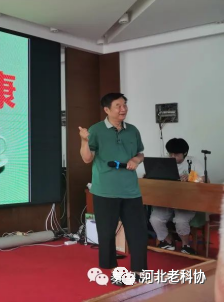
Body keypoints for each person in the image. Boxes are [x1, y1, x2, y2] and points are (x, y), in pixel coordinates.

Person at [79, 93, 147, 284]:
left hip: (131, 190)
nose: (123, 109)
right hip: (105, 190)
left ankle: (139, 271)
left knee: (138, 232)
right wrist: (84, 141)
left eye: (124, 105)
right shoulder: (96, 130)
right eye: (118, 106)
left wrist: (136, 160)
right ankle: (110, 268)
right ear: (107, 110)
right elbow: (87, 158)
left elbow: (140, 153)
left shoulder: (132, 130)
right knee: (106, 232)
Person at [149, 138, 205, 255]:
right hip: (167, 201)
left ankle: (185, 245)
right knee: (155, 219)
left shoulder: (193, 162)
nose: (173, 157)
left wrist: (191, 178)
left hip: (187, 202)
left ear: (185, 153)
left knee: (180, 221)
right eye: (171, 154)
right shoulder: (165, 162)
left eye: (176, 154)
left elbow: (205, 180)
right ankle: (168, 241)